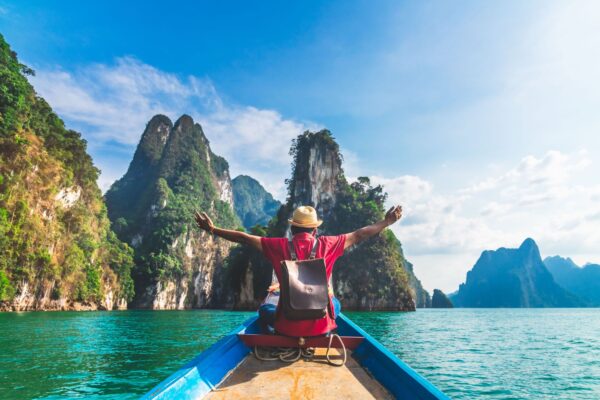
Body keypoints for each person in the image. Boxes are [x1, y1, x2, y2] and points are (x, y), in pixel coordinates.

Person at [194, 204, 402, 337]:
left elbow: (244, 238)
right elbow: (359, 234)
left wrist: (212, 229)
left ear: (292, 229)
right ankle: (325, 325)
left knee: (264, 310)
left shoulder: (278, 246)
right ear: (315, 230)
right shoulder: (329, 244)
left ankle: (272, 333)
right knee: (335, 302)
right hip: (321, 327)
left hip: (286, 326)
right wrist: (386, 221)